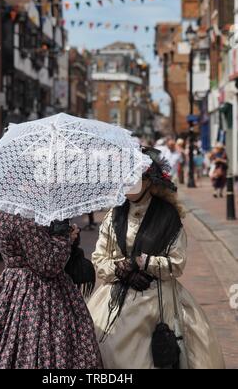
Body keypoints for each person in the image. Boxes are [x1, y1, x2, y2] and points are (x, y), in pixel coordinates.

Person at [88, 148, 225, 369]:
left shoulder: (167, 216)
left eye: (134, 178)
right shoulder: (114, 214)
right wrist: (122, 269)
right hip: (116, 294)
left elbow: (177, 263)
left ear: (149, 181)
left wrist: (144, 263)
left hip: (158, 298)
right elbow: (99, 259)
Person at [0, 216, 102, 369]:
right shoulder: (24, 218)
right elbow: (48, 265)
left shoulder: (4, 213)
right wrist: (65, 236)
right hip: (38, 291)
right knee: (39, 346)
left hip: (13, 285)